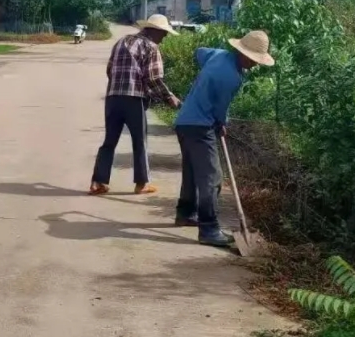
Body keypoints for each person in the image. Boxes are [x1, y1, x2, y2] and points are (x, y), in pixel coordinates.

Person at [173, 30, 275, 247]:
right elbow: (221, 108)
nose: (255, 65)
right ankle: (209, 228)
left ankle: (185, 213)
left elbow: (199, 53)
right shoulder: (232, 78)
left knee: (192, 171)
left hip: (184, 121)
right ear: (243, 54)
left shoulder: (217, 55)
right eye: (254, 60)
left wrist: (204, 82)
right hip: (200, 126)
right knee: (212, 177)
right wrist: (221, 123)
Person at [89, 14, 182, 196]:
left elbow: (110, 69)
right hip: (134, 99)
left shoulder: (121, 42)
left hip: (113, 98)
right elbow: (153, 78)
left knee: (109, 142)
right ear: (154, 31)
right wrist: (169, 97)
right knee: (140, 142)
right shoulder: (151, 46)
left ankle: (98, 182)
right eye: (163, 34)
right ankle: (141, 184)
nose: (164, 38)